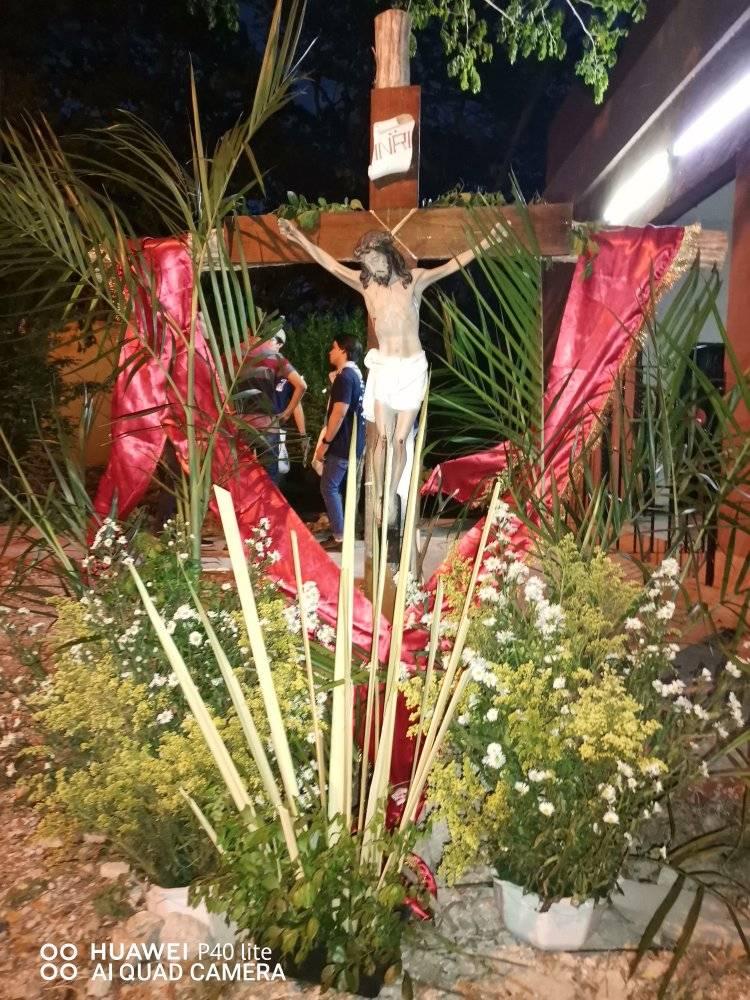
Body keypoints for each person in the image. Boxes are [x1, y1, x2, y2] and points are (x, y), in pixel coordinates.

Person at [277, 219, 497, 525]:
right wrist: (298, 237)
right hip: (384, 368)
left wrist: (486, 242)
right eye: (367, 263)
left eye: (375, 259)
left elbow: (451, 265)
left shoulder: (413, 282)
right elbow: (329, 264)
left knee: (400, 440)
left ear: (388, 254)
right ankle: (381, 495)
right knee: (382, 438)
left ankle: (391, 493)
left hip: (411, 368)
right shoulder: (367, 286)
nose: (372, 267)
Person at [234, 328, 306, 484]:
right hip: (266, 427)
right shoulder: (276, 359)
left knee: (243, 477)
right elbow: (301, 386)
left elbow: (216, 379)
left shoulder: (235, 354)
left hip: (246, 425)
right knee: (268, 478)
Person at [314, 335, 365, 551]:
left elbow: (339, 412)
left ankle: (340, 537)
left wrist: (326, 442)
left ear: (344, 350)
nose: (330, 352)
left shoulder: (345, 377)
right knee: (336, 487)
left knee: (329, 486)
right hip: (353, 442)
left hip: (342, 442)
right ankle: (342, 532)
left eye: (333, 347)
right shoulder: (356, 375)